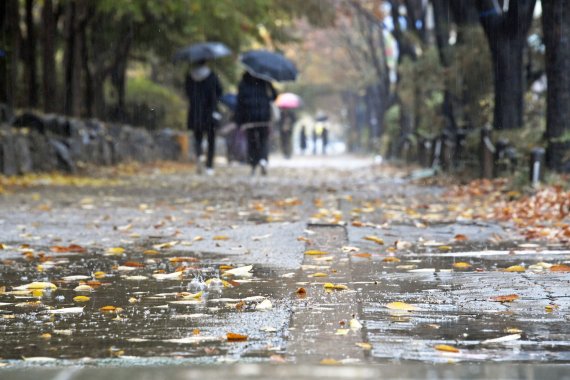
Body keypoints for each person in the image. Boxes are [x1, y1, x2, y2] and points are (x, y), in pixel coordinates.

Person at [235, 72, 277, 175]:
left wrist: (239, 120)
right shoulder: (264, 81)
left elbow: (239, 102)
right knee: (263, 140)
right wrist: (267, 100)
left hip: (249, 118)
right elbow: (275, 95)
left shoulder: (243, 83)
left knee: (252, 141)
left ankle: (253, 164)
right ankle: (263, 159)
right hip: (263, 117)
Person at [185, 60, 222, 175]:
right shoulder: (212, 76)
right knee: (211, 140)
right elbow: (220, 91)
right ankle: (209, 166)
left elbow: (187, 92)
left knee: (198, 137)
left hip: (195, 112)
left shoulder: (190, 76)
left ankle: (199, 154)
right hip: (210, 112)